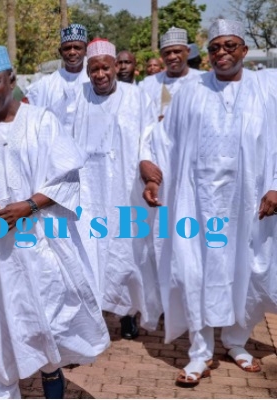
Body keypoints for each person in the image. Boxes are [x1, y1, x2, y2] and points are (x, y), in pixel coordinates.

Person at [0, 45, 110, 399]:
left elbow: (67, 178)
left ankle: (50, 374)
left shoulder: (41, 122)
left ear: (12, 80)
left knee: (45, 323)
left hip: (40, 249)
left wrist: (28, 205)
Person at [141, 19, 277, 387]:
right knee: (194, 272)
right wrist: (151, 172)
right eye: (215, 47)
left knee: (244, 272)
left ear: (244, 50)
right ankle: (200, 352)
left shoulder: (266, 90)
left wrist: (275, 186)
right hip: (195, 203)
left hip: (246, 202)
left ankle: (236, 343)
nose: (222, 53)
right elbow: (162, 138)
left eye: (230, 46)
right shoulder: (191, 91)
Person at [71, 39, 161, 340]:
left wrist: (150, 175)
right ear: (87, 70)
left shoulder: (137, 98)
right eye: (94, 69)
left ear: (116, 67)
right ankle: (91, 318)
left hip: (125, 189)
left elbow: (149, 140)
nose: (100, 74)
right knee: (87, 254)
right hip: (87, 191)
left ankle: (127, 313)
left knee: (126, 253)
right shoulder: (76, 98)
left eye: (105, 68)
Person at [25, 23, 90, 133]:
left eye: (77, 48)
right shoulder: (46, 83)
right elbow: (25, 109)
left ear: (85, 50)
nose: (72, 52)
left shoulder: (94, 81)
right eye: (67, 48)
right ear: (60, 52)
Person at [139, 27, 203, 121]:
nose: (172, 57)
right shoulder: (148, 84)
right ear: (161, 55)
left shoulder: (203, 80)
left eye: (177, 51)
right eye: (167, 53)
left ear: (188, 52)